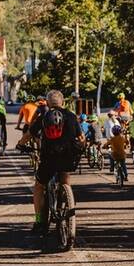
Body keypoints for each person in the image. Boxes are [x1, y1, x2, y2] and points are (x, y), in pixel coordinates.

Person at [31, 90, 84, 235]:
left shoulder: (44, 116)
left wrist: (21, 144)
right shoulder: (71, 116)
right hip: (68, 157)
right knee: (65, 180)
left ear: (48, 103)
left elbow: (31, 133)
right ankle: (67, 199)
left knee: (39, 186)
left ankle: (39, 221)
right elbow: (81, 137)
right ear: (63, 102)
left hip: (49, 158)